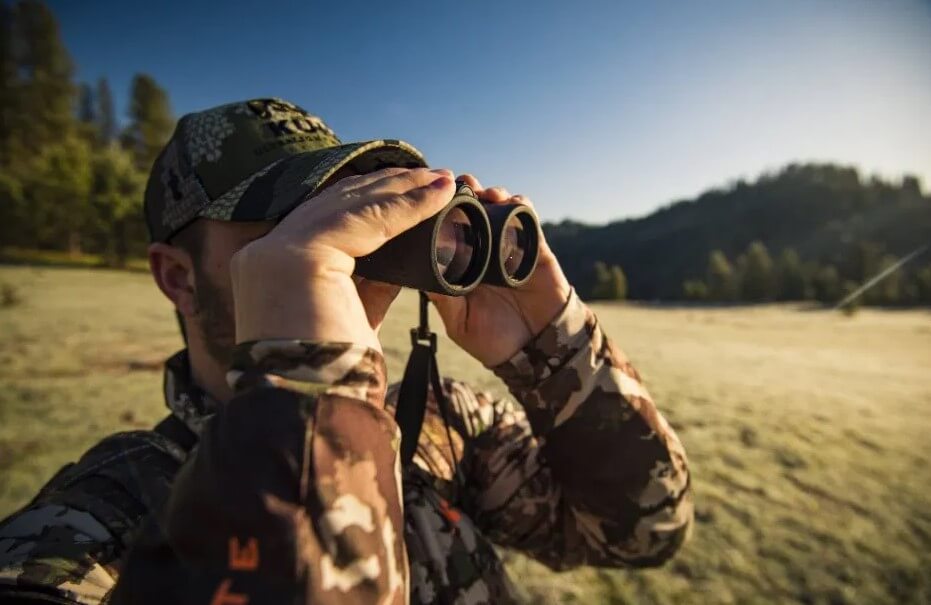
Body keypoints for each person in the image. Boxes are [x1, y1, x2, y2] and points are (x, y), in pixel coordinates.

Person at [0, 98, 693, 604]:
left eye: (355, 217)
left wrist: (553, 342)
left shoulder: (439, 429)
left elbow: (640, 532)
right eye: (293, 227)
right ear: (179, 277)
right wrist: (309, 386)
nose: (350, 254)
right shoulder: (92, 523)